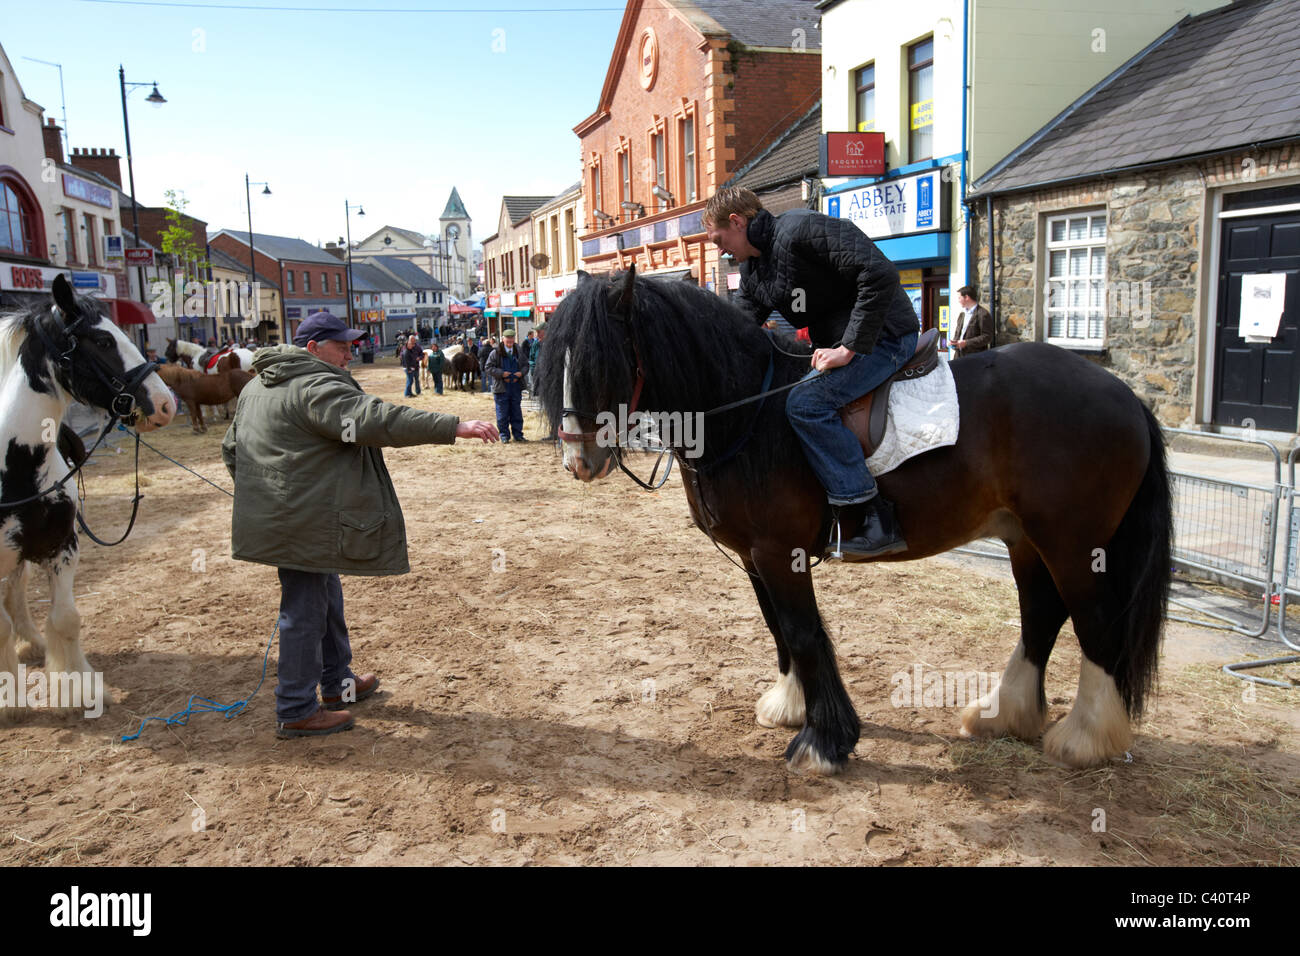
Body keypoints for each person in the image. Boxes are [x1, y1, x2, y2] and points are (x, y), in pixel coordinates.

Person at [221, 310, 499, 738]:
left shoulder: (260, 382)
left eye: (351, 346)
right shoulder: (313, 384)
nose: (350, 354)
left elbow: (232, 450)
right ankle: (296, 709)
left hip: (293, 516)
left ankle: (337, 686)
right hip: (303, 520)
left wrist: (266, 496)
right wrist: (453, 426)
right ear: (312, 349)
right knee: (304, 611)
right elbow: (375, 419)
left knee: (324, 598)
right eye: (342, 346)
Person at [704, 186, 919, 559]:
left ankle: (873, 514)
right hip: (835, 347)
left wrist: (848, 348)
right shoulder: (753, 269)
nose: (718, 248)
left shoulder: (802, 229)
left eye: (717, 238)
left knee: (805, 403)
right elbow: (737, 327)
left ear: (736, 222)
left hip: (886, 337)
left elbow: (879, 273)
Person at [485, 328, 528, 443]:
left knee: (516, 413)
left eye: (511, 339)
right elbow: (488, 368)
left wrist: (521, 373)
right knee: (502, 414)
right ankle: (504, 435)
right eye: (507, 339)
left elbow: (525, 365)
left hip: (515, 387)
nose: (509, 341)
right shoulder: (495, 353)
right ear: (503, 339)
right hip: (502, 388)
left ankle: (518, 435)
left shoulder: (519, 351)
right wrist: (501, 373)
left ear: (514, 339)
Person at [950, 285, 994, 356]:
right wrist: (954, 343)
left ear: (966, 297)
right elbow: (958, 333)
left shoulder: (983, 314)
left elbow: (987, 336)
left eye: (959, 298)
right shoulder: (962, 314)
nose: (958, 301)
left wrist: (966, 343)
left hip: (974, 358)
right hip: (959, 356)